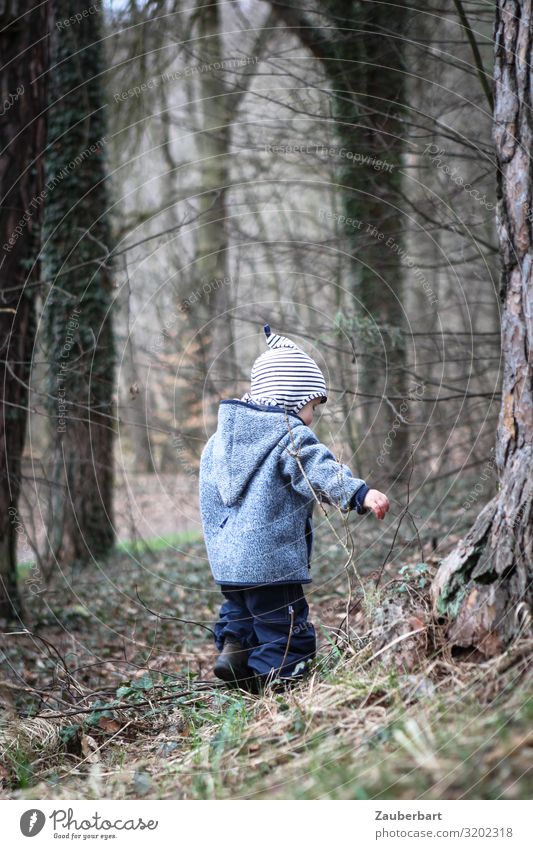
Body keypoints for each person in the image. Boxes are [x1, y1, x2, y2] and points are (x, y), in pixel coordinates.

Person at [199, 324, 389, 691]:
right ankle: (281, 685)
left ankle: (236, 650)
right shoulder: (289, 433)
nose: (312, 417)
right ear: (291, 399)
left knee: (242, 611)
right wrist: (359, 493)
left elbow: (211, 495)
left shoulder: (219, 441)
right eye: (311, 406)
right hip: (271, 561)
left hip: (227, 559)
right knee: (284, 628)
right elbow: (319, 472)